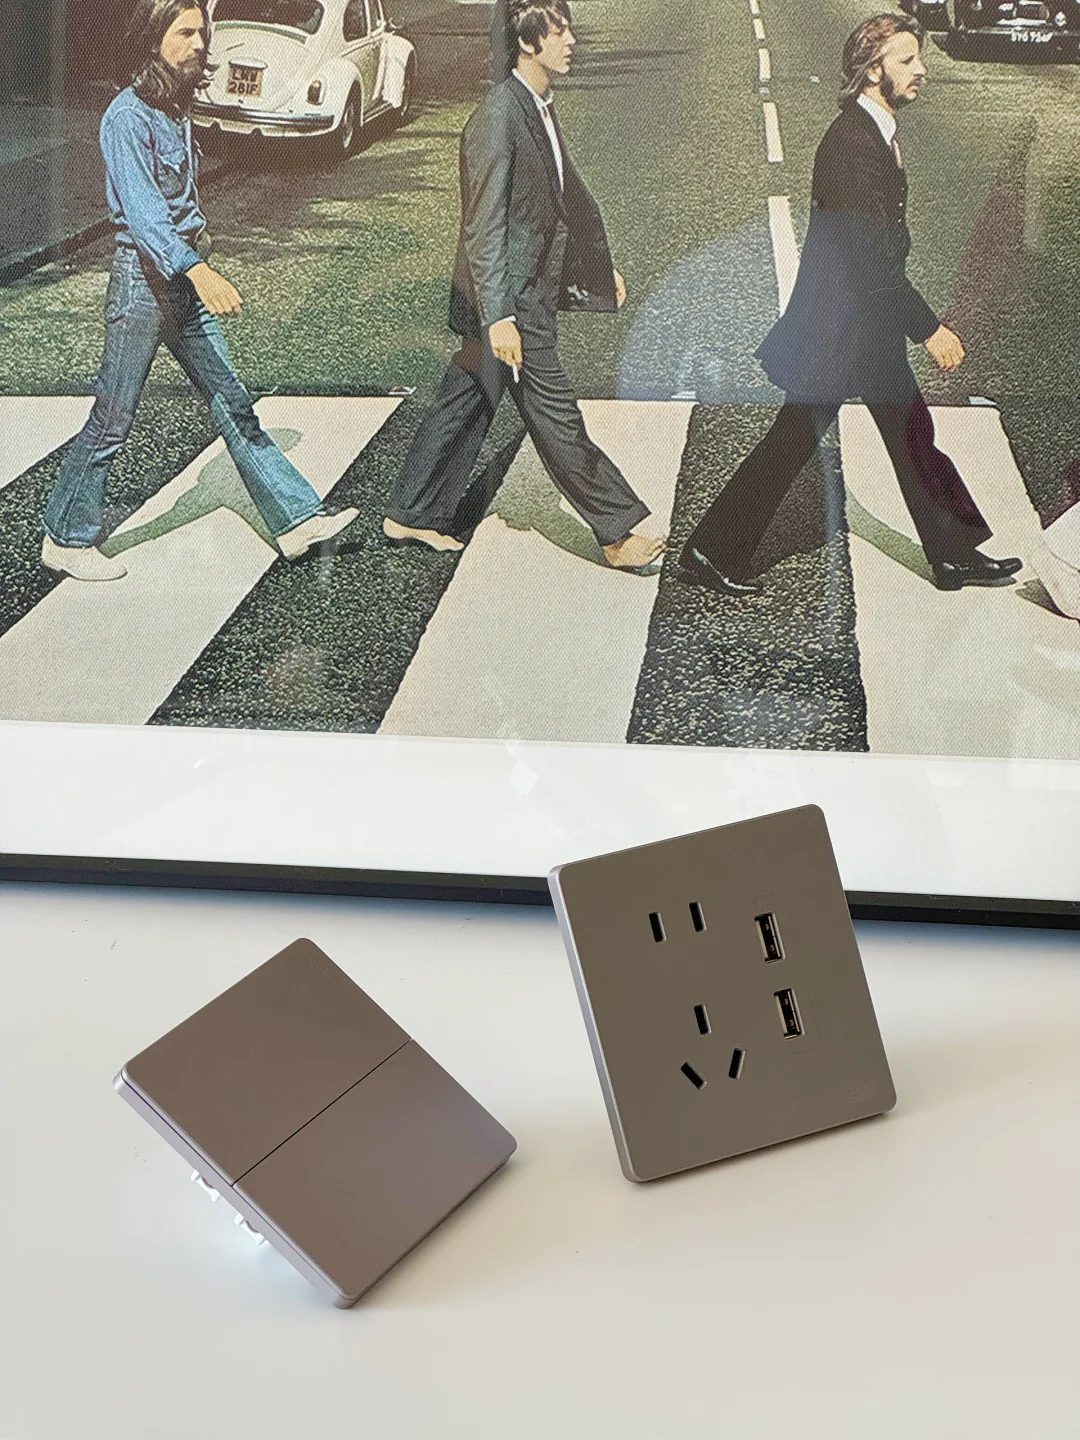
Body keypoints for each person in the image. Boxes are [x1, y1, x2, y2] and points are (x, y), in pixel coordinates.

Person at [679, 11, 1020, 597]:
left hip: (864, 328)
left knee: (913, 434)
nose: (921, 70)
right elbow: (870, 262)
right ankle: (711, 550)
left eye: (918, 58)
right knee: (792, 443)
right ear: (872, 70)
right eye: (907, 60)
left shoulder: (874, 132)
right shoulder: (852, 146)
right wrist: (929, 328)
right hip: (839, 332)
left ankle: (952, 553)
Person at [42, 0, 357, 582]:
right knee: (113, 417)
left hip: (181, 283)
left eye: (202, 34)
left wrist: (199, 249)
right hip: (144, 285)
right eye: (185, 33)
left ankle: (296, 520)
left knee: (233, 402)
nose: (199, 44)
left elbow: (181, 201)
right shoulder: (126, 117)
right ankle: (64, 536)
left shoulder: (175, 107)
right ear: (152, 40)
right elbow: (146, 218)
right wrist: (199, 269)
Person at [382, 0, 664, 573]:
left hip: (516, 292)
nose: (572, 40)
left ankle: (413, 510)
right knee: (556, 417)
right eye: (560, 31)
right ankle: (615, 530)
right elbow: (483, 227)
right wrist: (499, 317)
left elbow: (558, 201)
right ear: (529, 43)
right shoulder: (498, 117)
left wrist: (594, 270)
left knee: (466, 398)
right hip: (510, 301)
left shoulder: (535, 105)